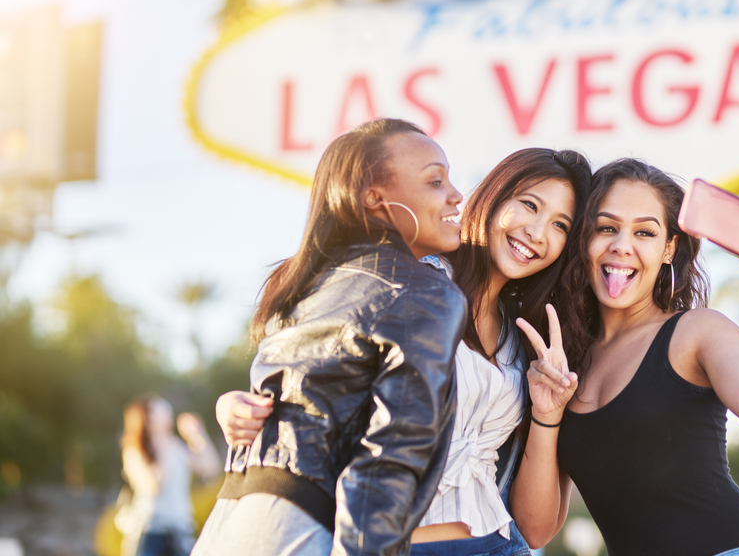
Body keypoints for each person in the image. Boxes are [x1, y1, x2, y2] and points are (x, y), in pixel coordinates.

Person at [216, 147, 591, 556]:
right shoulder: (409, 284)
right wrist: (235, 407)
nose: (538, 232)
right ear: (493, 197)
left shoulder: (526, 344)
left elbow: (536, 532)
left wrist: (547, 414)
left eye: (559, 225)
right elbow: (308, 374)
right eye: (529, 205)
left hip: (498, 546)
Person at [191, 119, 468, 556]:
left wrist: (229, 405)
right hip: (301, 528)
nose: (456, 195)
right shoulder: (425, 292)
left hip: (230, 519)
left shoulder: (305, 281)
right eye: (435, 181)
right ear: (375, 198)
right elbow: (391, 457)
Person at [514, 159, 739, 556]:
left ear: (669, 248)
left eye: (645, 232)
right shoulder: (565, 361)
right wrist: (545, 414)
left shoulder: (696, 331)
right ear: (584, 240)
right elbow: (535, 531)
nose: (622, 245)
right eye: (606, 227)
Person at [118, 395, 221, 556]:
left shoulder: (176, 447)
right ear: (148, 416)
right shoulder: (134, 451)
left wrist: (197, 435)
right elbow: (154, 486)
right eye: (159, 408)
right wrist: (162, 441)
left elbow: (211, 469)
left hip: (180, 531)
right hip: (150, 532)